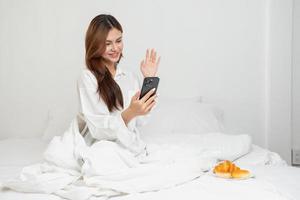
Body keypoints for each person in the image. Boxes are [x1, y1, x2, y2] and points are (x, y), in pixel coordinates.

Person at [77, 14, 160, 157]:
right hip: (101, 146)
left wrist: (149, 79)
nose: (115, 48)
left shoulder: (129, 77)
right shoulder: (88, 77)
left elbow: (141, 120)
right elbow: (98, 130)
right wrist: (130, 112)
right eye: (107, 43)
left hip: (129, 145)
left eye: (119, 41)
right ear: (95, 45)